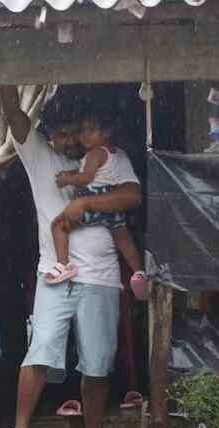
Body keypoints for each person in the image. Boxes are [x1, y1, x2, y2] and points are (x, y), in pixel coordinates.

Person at [0, 86, 142, 428]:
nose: (72, 140)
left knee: (96, 365)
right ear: (49, 134)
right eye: (64, 133)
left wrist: (87, 202)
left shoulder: (109, 159)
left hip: (102, 278)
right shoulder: (39, 157)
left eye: (78, 133)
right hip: (54, 277)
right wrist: (2, 74)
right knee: (40, 350)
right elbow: (14, 113)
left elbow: (132, 196)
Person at [49, 112, 148, 301]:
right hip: (112, 206)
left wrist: (67, 179)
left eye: (91, 130)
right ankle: (139, 272)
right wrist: (73, 172)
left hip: (92, 201)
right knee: (123, 238)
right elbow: (86, 170)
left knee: (58, 226)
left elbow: (86, 177)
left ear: (107, 132)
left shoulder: (94, 153)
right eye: (82, 131)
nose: (84, 135)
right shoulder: (115, 153)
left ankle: (63, 265)